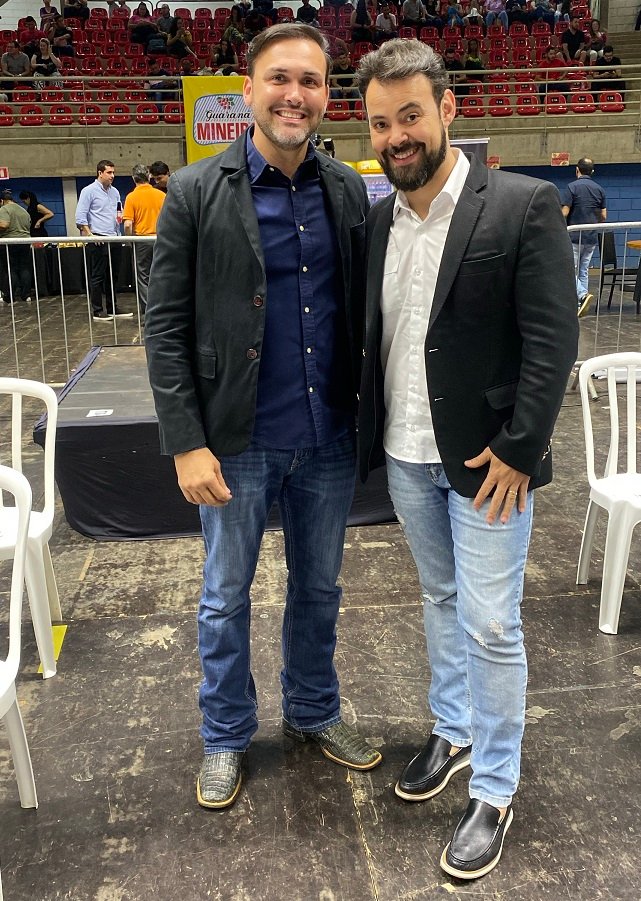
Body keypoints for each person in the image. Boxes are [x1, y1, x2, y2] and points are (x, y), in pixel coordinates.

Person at [356, 38, 578, 880]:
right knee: (440, 597)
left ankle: (494, 785)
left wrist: (521, 446)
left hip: (490, 463)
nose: (396, 136)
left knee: (490, 621)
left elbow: (552, 340)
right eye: (381, 123)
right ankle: (452, 730)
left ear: (447, 109)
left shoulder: (520, 204)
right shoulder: (377, 222)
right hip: (405, 453)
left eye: (410, 115)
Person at [145, 22, 379, 812]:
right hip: (235, 441)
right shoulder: (193, 191)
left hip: (328, 436)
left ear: (325, 95)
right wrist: (186, 442)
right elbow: (164, 326)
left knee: (319, 590)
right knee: (223, 596)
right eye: (280, 78)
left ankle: (313, 709)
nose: (294, 95)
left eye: (310, 81)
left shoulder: (345, 188)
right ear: (246, 89)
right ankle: (225, 733)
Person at [76, 160, 133, 321]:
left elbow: (118, 211)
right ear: (100, 173)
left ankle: (112, 308)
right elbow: (80, 216)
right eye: (109, 172)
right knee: (97, 276)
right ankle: (97, 310)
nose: (112, 176)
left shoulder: (115, 192)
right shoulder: (88, 191)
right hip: (98, 238)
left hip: (114, 237)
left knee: (113, 275)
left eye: (113, 172)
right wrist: (90, 235)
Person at [561, 157, 607, 317]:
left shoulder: (571, 187)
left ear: (577, 170)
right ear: (592, 171)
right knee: (583, 271)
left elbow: (564, 212)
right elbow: (603, 216)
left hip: (574, 236)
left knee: (569, 270)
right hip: (591, 237)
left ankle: (581, 296)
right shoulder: (599, 189)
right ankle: (581, 305)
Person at [122, 164, 164, 314]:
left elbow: (128, 224)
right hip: (160, 240)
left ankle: (148, 313)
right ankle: (163, 311)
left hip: (142, 241)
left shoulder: (131, 197)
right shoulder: (161, 195)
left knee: (143, 277)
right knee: (161, 275)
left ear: (133, 178)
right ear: (149, 177)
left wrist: (129, 240)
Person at [0, 188, 33, 304]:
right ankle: (26, 295)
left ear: (2, 201)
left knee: (10, 269)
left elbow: (4, 224)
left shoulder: (4, 209)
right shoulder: (23, 210)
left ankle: (9, 296)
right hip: (25, 242)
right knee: (24, 268)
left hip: (9, 243)